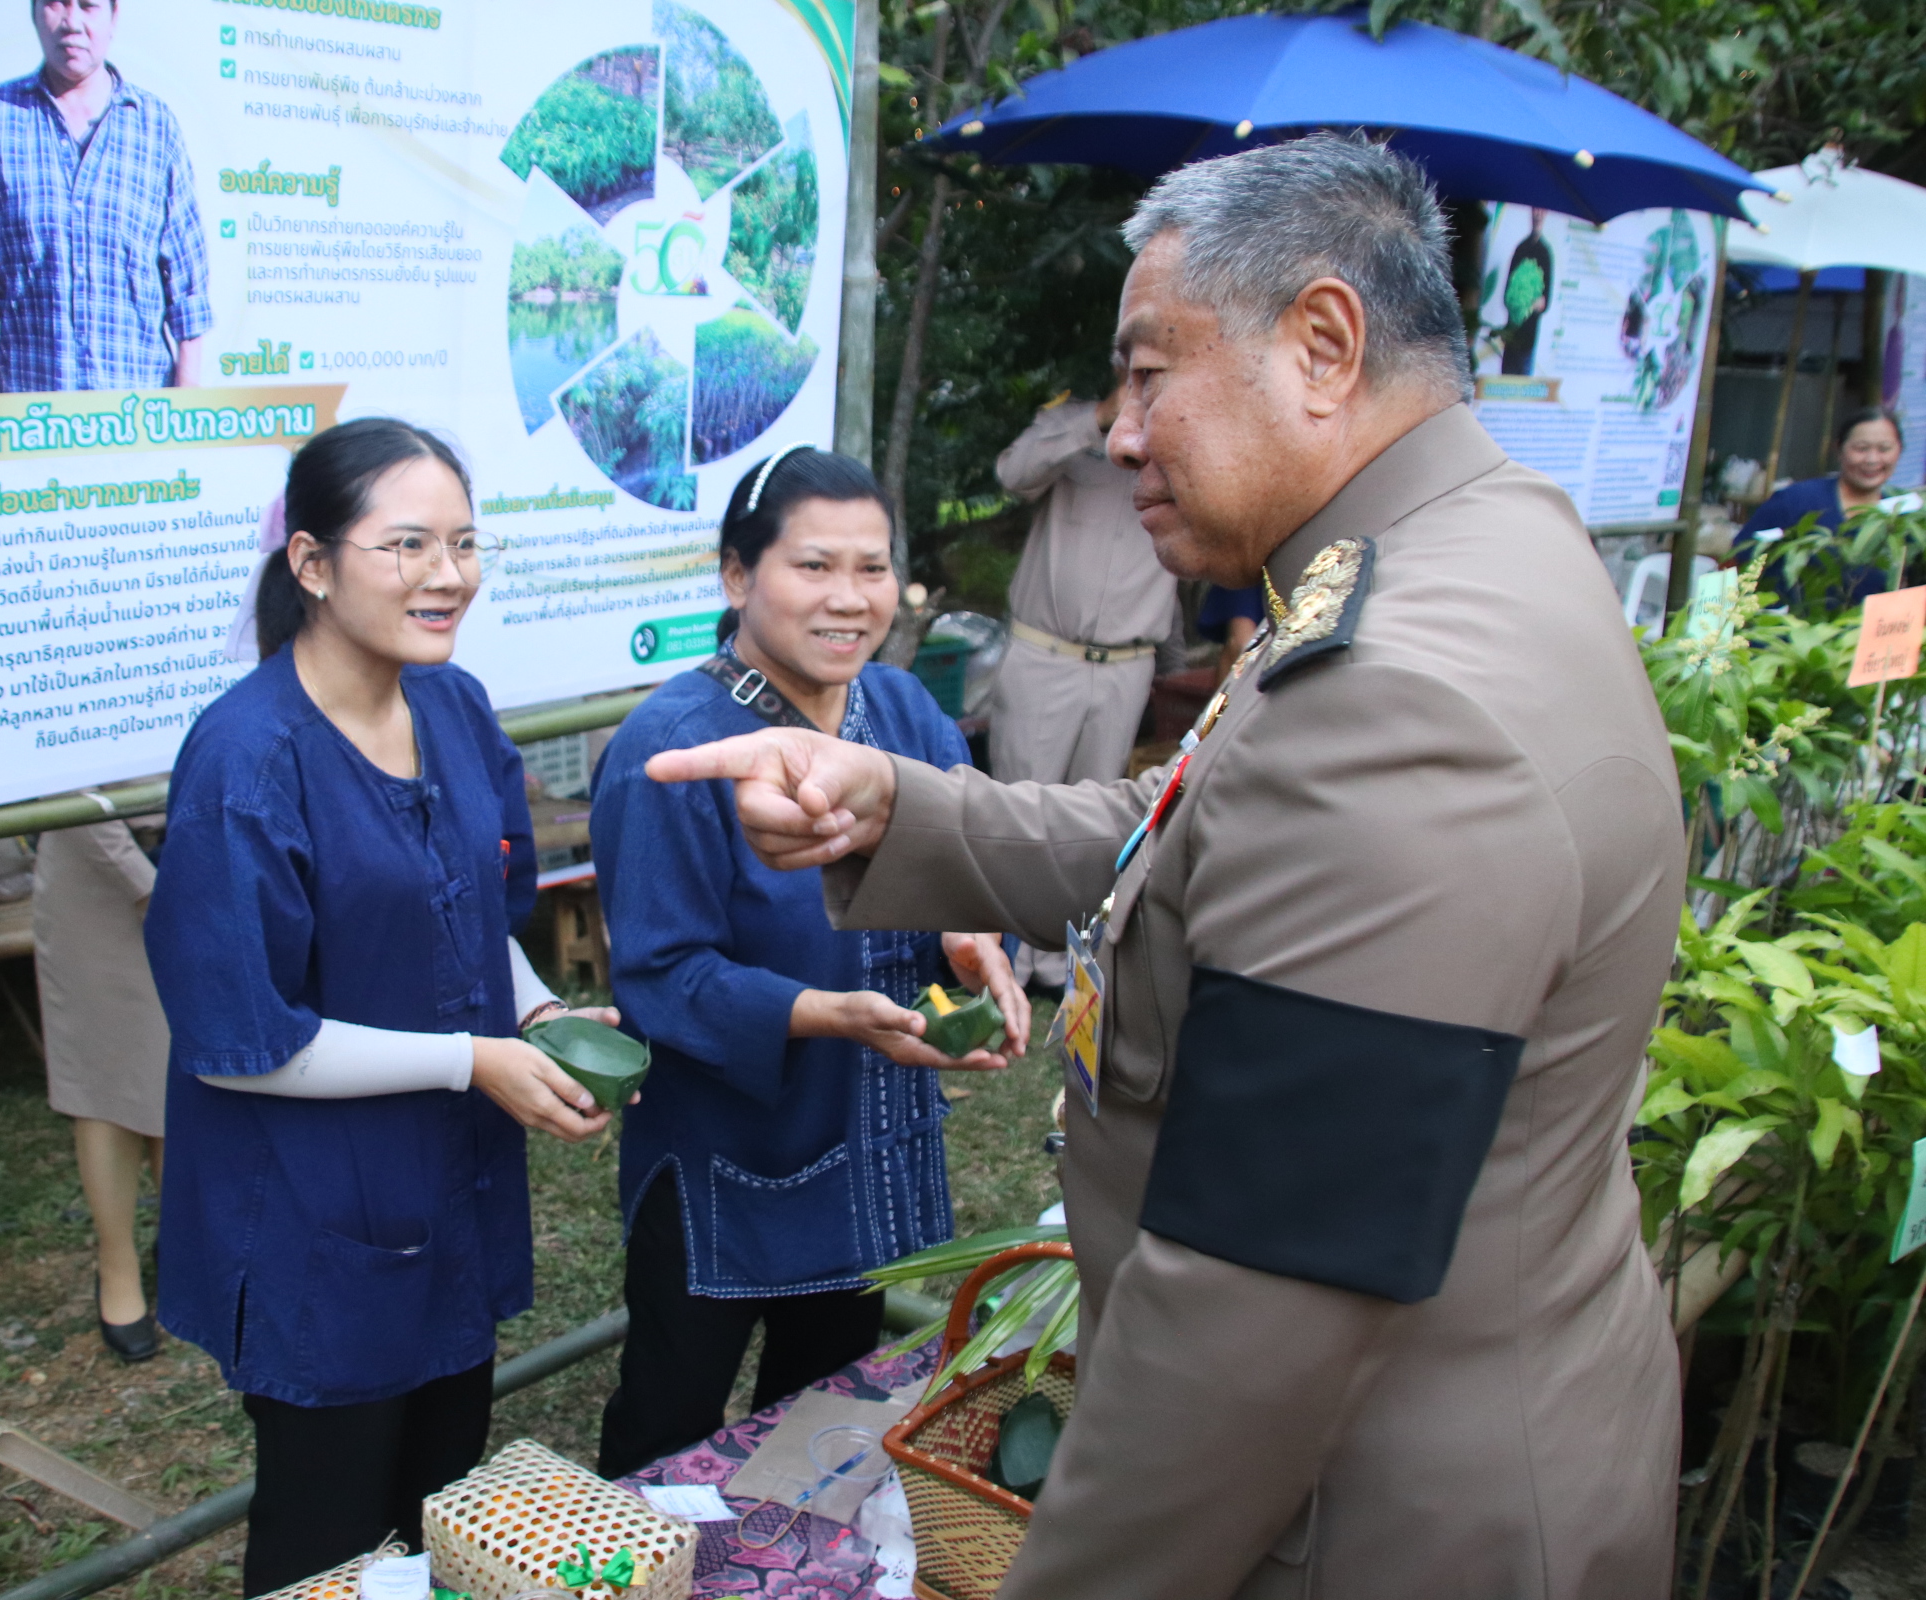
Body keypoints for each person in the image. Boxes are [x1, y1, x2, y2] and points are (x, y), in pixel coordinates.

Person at [650, 134, 1683, 1595]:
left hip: (1363, 1517)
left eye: (1150, 372)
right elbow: (1200, 825)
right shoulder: (1458, 549)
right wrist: (901, 809)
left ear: (1323, 342)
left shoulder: (1397, 693)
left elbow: (1254, 1315)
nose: (1121, 430)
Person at [143, 419, 615, 1595]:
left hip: (445, 1195)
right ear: (311, 563)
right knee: (329, 1546)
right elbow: (242, 1042)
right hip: (314, 1226)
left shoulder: (452, 709)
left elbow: (475, 917)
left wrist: (541, 1010)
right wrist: (474, 1062)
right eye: (406, 543)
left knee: (435, 1509)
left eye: (462, 542)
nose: (446, 573)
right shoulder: (245, 760)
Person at [588, 445, 1027, 1479]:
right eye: (814, 566)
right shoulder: (675, 747)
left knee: (824, 1413)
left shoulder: (904, 711)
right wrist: (826, 1012)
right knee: (672, 1416)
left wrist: (976, 938)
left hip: (867, 1142)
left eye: (871, 568)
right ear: (738, 577)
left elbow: (966, 860)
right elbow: (661, 975)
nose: (850, 598)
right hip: (727, 1154)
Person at [989, 378, 1179, 988]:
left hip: (1127, 666)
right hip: (1046, 656)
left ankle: (1061, 963)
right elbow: (1013, 473)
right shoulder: (1073, 427)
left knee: (1094, 827)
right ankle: (1002, 962)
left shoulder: (1186, 446)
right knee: (1020, 815)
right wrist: (1098, 417)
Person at [0, 0, 210, 394]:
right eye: (56, 5)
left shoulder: (155, 127)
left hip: (139, 419)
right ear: (34, 13)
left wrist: (186, 412)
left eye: (88, 6)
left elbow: (189, 291)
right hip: (30, 418)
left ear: (113, 17)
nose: (72, 23)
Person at [32, 815, 168, 1361]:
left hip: (189, 852)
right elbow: (66, 786)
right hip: (94, 882)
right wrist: (147, 885)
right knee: (105, 1080)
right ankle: (117, 1265)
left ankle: (183, 1245)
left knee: (181, 1068)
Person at [1733, 407, 1907, 602]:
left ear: (1899, 450)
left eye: (1884, 449)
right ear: (1839, 449)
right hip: (1788, 627)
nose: (1872, 459)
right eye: (1861, 448)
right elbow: (1738, 561)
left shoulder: (1904, 515)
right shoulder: (1796, 500)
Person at [1496, 207, 1553, 375]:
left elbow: (1545, 301)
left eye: (1542, 211)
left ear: (1546, 215)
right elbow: (1507, 294)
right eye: (1535, 211)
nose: (1537, 215)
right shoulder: (1520, 249)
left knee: (1522, 383)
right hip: (1511, 334)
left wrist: (1531, 305)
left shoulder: (1545, 253)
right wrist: (1517, 303)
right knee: (1505, 380)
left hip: (1529, 337)